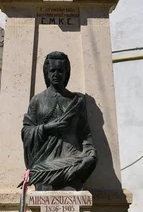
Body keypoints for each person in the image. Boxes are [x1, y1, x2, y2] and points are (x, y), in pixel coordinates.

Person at [21, 51, 97, 190]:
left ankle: (69, 175)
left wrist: (90, 151)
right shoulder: (37, 100)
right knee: (39, 172)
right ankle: (47, 177)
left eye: (60, 71)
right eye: (52, 70)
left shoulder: (76, 101)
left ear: (66, 73)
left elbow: (85, 133)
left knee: (88, 160)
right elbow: (27, 131)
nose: (56, 74)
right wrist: (47, 128)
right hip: (45, 161)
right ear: (47, 73)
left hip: (72, 158)